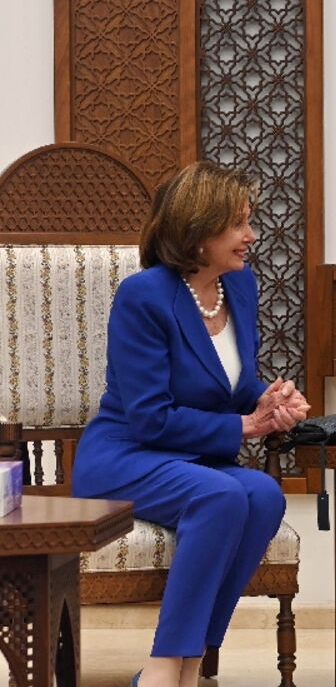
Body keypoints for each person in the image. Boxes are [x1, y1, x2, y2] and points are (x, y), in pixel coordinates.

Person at [71, 161, 310, 687]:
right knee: (221, 496)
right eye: (239, 224)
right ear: (199, 232)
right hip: (126, 456)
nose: (252, 236)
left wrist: (270, 400)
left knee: (265, 496)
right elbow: (150, 417)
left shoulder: (238, 287)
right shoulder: (144, 297)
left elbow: (232, 385)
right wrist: (247, 427)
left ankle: (194, 662)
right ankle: (162, 667)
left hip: (190, 460)